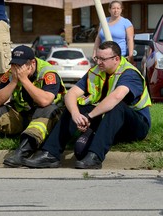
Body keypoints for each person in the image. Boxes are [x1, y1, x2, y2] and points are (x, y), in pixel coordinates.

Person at [23, 41, 151, 169]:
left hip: (135, 125)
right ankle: (50, 154)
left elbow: (116, 97)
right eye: (97, 58)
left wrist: (89, 117)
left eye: (103, 59)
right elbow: (70, 94)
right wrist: (76, 115)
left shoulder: (129, 73)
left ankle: (94, 157)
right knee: (75, 106)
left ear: (116, 59)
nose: (98, 62)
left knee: (117, 106)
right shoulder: (95, 71)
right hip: (108, 122)